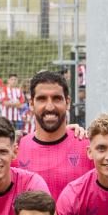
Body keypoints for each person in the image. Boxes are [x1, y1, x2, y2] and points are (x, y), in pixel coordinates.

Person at [12, 70, 89, 199]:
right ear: (31, 104)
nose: (49, 107)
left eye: (57, 98)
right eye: (42, 99)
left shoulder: (88, 148)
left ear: (68, 102)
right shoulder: (16, 150)